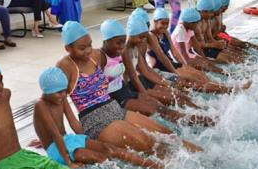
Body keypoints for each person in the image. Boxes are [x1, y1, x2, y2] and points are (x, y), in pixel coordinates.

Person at [56, 21, 203, 155]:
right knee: (149, 144)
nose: (88, 50)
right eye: (82, 48)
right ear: (67, 48)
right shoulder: (64, 67)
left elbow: (116, 60)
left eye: (89, 44)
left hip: (114, 108)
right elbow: (58, 106)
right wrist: (62, 137)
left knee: (166, 133)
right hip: (94, 119)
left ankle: (202, 157)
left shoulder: (95, 56)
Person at [32, 67, 163, 169]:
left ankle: (154, 166)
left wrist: (88, 140)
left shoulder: (60, 98)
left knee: (109, 148)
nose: (63, 95)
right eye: (59, 92)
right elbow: (55, 135)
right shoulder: (41, 105)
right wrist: (68, 161)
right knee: (98, 157)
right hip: (56, 148)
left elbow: (73, 122)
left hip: (68, 139)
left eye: (64, 91)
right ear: (47, 92)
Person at [100, 19, 215, 126]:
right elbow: (134, 77)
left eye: (144, 37)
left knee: (172, 100)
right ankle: (202, 120)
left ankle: (202, 113)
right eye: (140, 37)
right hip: (124, 92)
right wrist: (145, 95)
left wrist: (164, 83)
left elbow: (145, 70)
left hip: (130, 88)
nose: (143, 41)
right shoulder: (117, 53)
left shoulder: (132, 49)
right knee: (162, 108)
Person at [148, 8, 249, 94]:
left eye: (167, 23)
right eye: (163, 23)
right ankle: (228, 89)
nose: (165, 26)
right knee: (195, 79)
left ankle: (225, 87)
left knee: (201, 75)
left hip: (171, 63)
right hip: (160, 67)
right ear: (155, 22)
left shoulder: (165, 33)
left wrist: (184, 65)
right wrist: (177, 70)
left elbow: (174, 52)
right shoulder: (152, 36)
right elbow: (163, 56)